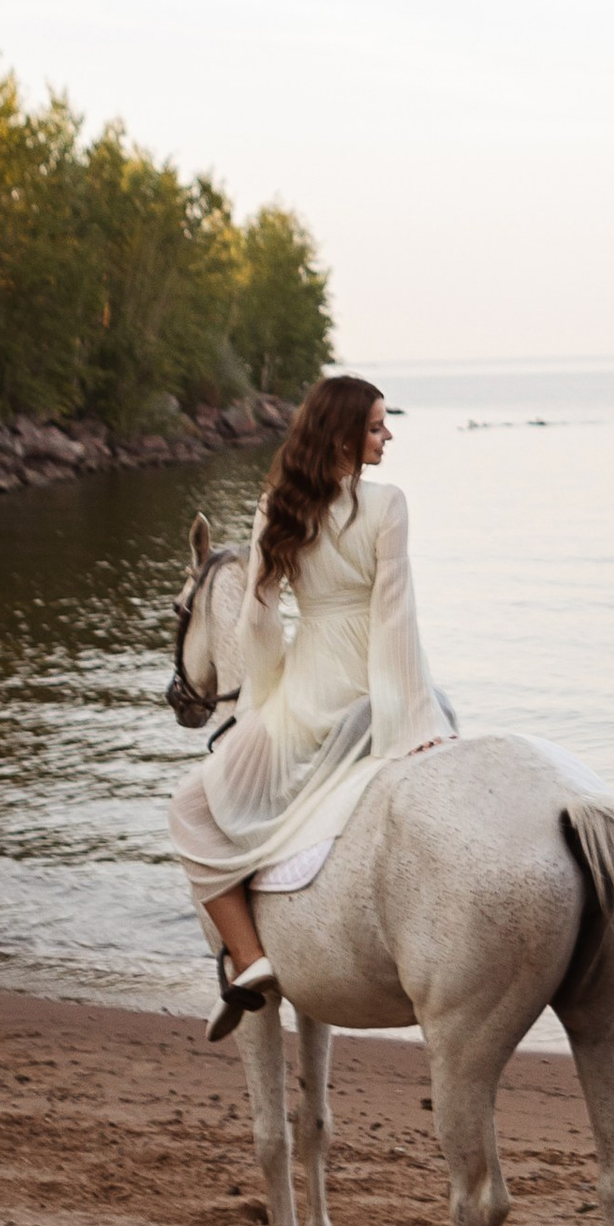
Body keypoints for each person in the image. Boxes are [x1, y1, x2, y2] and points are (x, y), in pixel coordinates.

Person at [168, 371, 454, 1040]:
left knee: (192, 811)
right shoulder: (390, 505)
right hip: (379, 690)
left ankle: (248, 958)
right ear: (345, 438)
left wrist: (263, 700)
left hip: (310, 689)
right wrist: (414, 720)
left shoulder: (277, 508)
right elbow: (395, 621)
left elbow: (259, 625)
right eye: (378, 426)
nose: (389, 435)